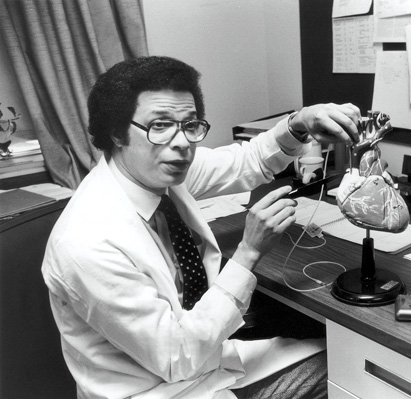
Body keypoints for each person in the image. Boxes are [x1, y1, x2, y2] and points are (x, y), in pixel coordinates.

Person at [41, 56, 361, 399]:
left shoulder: (157, 170)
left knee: (333, 346)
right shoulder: (86, 242)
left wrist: (299, 123)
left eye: (189, 124)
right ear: (117, 132)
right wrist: (248, 252)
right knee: (347, 370)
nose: (181, 143)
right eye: (160, 125)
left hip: (205, 360)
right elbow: (178, 358)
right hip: (162, 385)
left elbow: (247, 161)